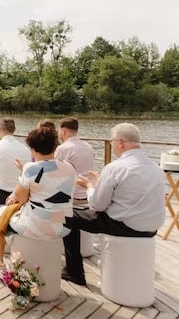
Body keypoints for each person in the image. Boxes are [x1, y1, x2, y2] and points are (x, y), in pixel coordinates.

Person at [62, 123, 166, 286]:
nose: (111, 144)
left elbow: (97, 205)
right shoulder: (156, 168)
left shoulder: (115, 168)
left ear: (121, 142)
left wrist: (89, 187)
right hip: (152, 227)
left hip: (126, 225)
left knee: (67, 217)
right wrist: (99, 182)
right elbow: (130, 194)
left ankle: (74, 273)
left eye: (112, 141)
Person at [0, 126, 75, 276]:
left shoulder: (30, 168)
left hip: (37, 225)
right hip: (63, 226)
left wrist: (24, 174)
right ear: (55, 146)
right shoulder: (69, 168)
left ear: (33, 149)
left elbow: (20, 198)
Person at [54, 117, 95, 206]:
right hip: (87, 193)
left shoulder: (62, 148)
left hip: (72, 196)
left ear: (63, 131)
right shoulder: (88, 147)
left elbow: (55, 173)